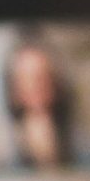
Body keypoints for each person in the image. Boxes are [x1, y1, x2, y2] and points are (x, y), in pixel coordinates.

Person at [4, 36, 74, 167]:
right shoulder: (4, 148)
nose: (35, 86)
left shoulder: (85, 143)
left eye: (41, 77)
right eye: (25, 78)